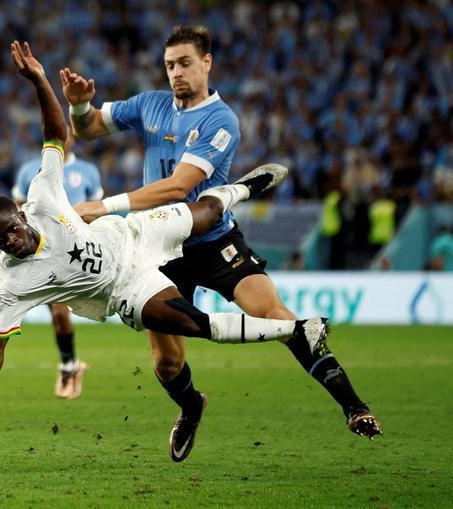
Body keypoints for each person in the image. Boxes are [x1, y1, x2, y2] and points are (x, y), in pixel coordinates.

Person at [0, 42, 328, 458]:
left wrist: (40, 80)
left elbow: (55, 132)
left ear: (21, 215)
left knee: (206, 210)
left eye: (10, 229)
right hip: (125, 290)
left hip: (132, 235)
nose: (9, 240)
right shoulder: (12, 281)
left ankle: (245, 187)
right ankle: (294, 331)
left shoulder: (41, 196)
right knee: (195, 327)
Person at [60, 25, 381, 458]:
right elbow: (89, 128)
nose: (176, 72)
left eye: (185, 63)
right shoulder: (150, 104)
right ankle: (192, 408)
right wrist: (80, 104)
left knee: (277, 316)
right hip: (158, 254)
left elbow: (178, 187)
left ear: (207, 63)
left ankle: (354, 407)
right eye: (170, 64)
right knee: (166, 363)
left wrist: (105, 205)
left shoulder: (220, 120)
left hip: (213, 240)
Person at [12, 134, 103, 399]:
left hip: (83, 250)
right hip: (49, 252)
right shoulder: (30, 170)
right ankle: (69, 365)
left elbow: (97, 208)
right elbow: (17, 209)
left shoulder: (87, 171)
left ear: (74, 137)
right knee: (59, 313)